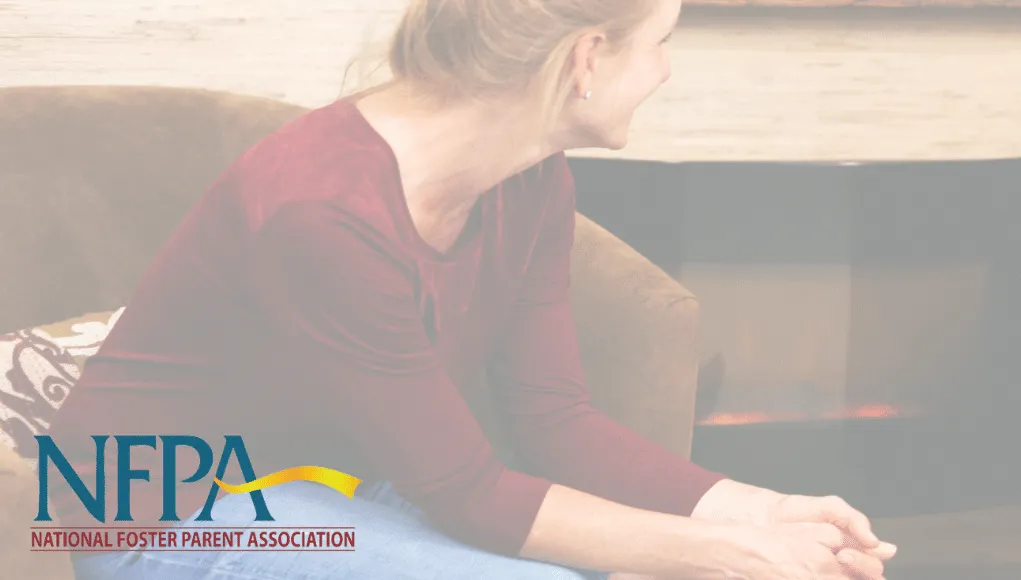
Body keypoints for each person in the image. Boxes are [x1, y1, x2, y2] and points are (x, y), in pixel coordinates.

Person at [44, 0, 898, 578]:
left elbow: (555, 420)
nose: (668, 71)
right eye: (663, 39)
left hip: (332, 483)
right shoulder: (323, 212)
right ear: (588, 58)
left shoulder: (529, 177)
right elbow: (468, 493)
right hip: (161, 509)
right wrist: (728, 554)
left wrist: (767, 509)